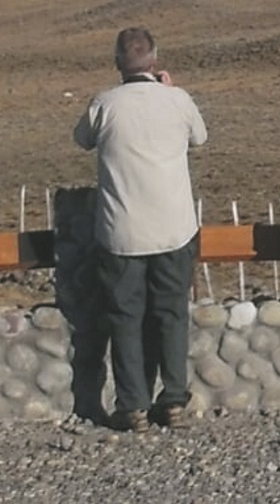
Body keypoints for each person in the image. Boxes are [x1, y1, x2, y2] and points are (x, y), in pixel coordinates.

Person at [72, 26, 208, 431]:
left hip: (122, 230)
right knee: (171, 313)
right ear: (155, 59)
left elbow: (82, 139)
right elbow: (200, 137)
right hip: (174, 227)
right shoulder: (178, 100)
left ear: (118, 62)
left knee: (125, 317)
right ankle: (174, 398)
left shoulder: (105, 104)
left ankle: (132, 405)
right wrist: (170, 90)